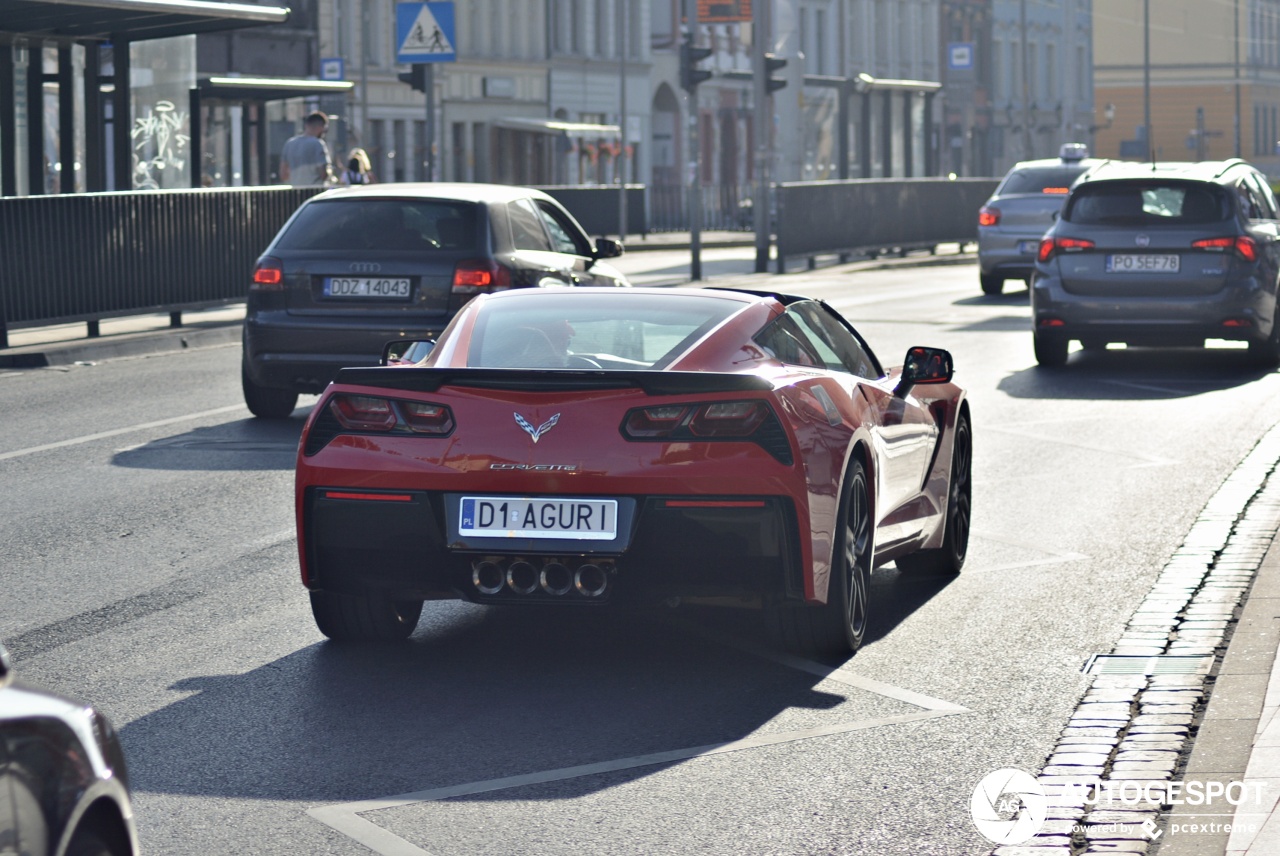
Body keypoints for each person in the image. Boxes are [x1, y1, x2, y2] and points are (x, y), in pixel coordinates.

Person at [280, 111, 334, 187]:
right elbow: (323, 174)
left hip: (295, 191)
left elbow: (283, 175)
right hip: (315, 191)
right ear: (321, 127)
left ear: (306, 125)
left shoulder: (289, 143)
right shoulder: (318, 144)